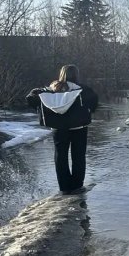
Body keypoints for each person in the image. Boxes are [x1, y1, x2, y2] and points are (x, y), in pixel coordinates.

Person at [26, 64, 98, 195]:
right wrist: (87, 110)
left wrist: (43, 109)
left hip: (58, 128)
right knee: (78, 157)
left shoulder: (51, 89)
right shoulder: (82, 89)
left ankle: (64, 188)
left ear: (61, 74)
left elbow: (31, 98)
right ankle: (77, 187)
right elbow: (94, 103)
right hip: (79, 127)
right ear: (76, 74)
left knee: (60, 156)